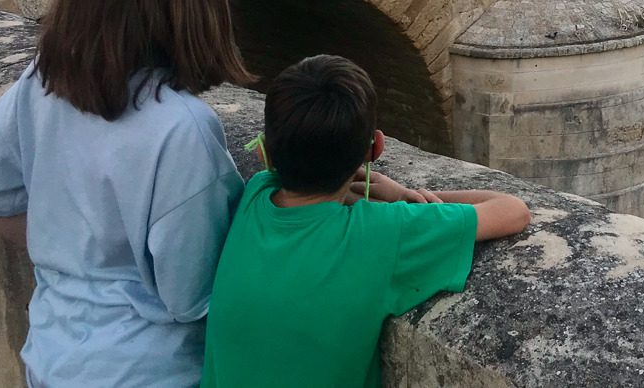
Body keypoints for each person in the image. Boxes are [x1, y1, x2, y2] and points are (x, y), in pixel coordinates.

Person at [0, 0, 252, 387]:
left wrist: (74, 248)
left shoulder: (41, 82)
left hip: (53, 355)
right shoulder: (183, 130)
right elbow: (191, 295)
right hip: (148, 372)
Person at [201, 55, 530, 387]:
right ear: (376, 147)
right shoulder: (383, 233)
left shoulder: (256, 195)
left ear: (264, 152)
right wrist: (403, 195)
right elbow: (512, 210)